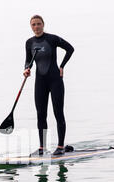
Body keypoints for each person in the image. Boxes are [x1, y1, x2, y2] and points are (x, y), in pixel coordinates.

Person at [24, 15, 74, 156]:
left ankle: (60, 146)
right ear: (31, 26)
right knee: (41, 115)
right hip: (40, 83)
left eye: (39, 24)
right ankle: (42, 148)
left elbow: (70, 49)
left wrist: (62, 66)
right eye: (33, 24)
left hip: (55, 80)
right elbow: (28, 61)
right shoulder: (29, 43)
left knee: (58, 113)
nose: (36, 27)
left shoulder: (52, 39)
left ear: (43, 24)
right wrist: (27, 69)